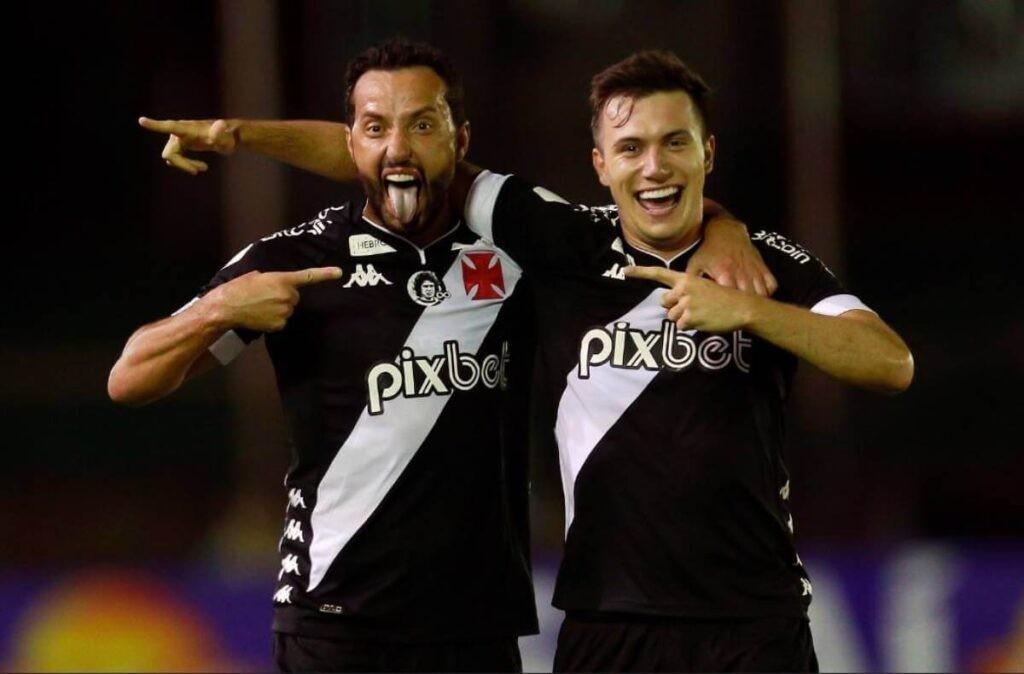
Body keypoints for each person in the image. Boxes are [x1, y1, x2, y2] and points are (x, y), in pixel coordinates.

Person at [119, 41, 768, 672]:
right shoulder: (295, 259)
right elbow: (132, 378)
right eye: (374, 127)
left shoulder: (518, 249)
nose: (398, 146)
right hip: (333, 623)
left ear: (459, 142)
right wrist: (219, 310)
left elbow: (640, 212)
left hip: (475, 631)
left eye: (423, 124)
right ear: (351, 144)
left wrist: (723, 226)